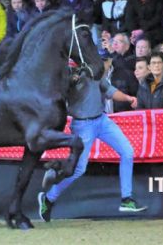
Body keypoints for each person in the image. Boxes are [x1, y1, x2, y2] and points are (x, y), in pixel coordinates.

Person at [38, 67, 147, 222]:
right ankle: (48, 198)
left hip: (102, 120)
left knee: (127, 152)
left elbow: (111, 91)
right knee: (79, 169)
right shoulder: (69, 75)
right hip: (82, 125)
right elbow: (57, 95)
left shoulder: (95, 74)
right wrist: (71, 82)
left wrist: (128, 98)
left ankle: (126, 199)